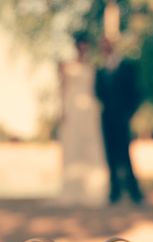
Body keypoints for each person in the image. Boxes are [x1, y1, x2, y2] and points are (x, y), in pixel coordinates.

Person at [57, 32, 109, 207]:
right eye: (81, 45)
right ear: (76, 46)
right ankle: (72, 190)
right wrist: (62, 110)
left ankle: (94, 191)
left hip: (89, 109)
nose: (83, 49)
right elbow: (62, 89)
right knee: (73, 145)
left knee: (91, 147)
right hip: (73, 108)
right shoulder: (66, 66)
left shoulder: (93, 67)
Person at [95, 38, 143, 204]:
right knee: (110, 155)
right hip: (107, 117)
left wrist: (129, 113)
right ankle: (114, 192)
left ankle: (134, 192)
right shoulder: (100, 71)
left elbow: (135, 91)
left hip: (122, 117)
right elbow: (98, 95)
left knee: (125, 153)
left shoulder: (126, 66)